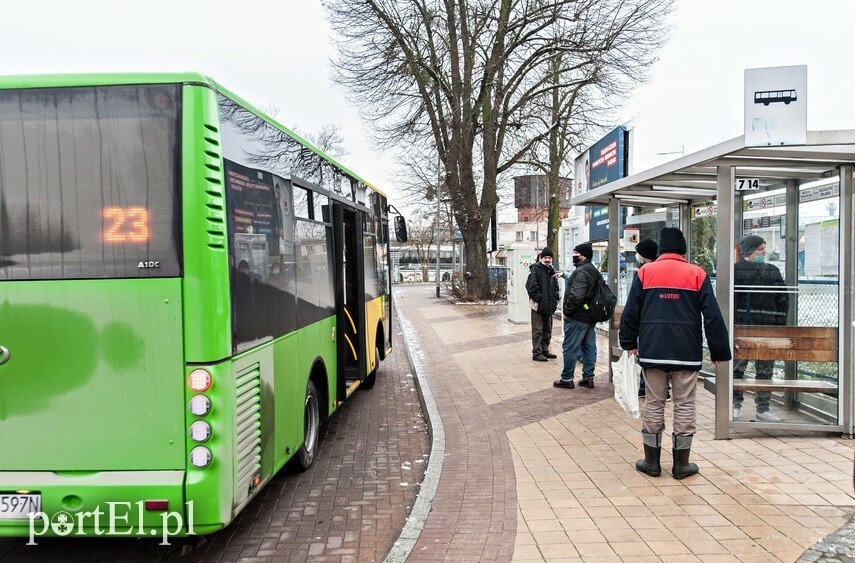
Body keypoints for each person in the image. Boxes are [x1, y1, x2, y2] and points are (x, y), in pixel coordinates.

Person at [619, 228, 731, 479]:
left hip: (654, 349)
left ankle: (652, 462)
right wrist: (718, 350)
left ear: (661, 250)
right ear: (683, 250)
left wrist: (628, 342)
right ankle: (681, 465)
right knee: (684, 404)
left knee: (654, 403)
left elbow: (631, 310)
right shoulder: (697, 274)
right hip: (685, 351)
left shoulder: (645, 272)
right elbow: (712, 315)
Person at [733, 235, 789, 422]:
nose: (764, 252)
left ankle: (763, 408)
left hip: (768, 328)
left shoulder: (772, 271)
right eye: (760, 249)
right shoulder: (735, 272)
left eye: (764, 249)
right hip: (743, 328)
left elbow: (782, 299)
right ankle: (734, 404)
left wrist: (779, 325)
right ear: (749, 251)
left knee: (765, 370)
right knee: (737, 368)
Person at [553, 242, 599, 389]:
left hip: (578, 317)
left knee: (570, 347)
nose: (573, 255)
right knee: (589, 347)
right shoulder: (593, 270)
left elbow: (577, 296)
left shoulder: (581, 272)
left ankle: (567, 379)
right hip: (590, 316)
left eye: (576, 253)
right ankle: (588, 377)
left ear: (583, 255)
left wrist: (567, 310)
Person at [632, 239, 658, 398]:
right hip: (653, 320)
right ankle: (646, 386)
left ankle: (646, 387)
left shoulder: (644, 272)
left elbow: (634, 303)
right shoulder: (647, 269)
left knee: (644, 354)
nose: (637, 256)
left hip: (646, 321)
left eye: (639, 253)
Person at [525, 248, 560, 362]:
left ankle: (545, 350)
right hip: (538, 305)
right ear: (541, 258)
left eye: (549, 258)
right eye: (545, 257)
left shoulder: (552, 270)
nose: (547, 260)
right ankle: (537, 352)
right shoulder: (535, 269)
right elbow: (531, 287)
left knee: (547, 329)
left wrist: (555, 297)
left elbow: (555, 287)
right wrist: (539, 299)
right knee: (538, 330)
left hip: (549, 305)